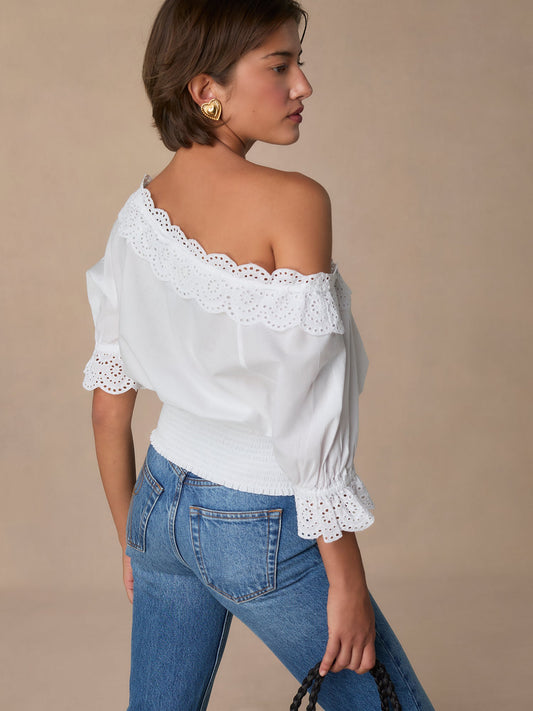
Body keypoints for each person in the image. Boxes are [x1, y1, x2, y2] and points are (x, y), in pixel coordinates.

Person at [83, 1, 435, 709]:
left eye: (298, 62)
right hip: (256, 518)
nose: (303, 85)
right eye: (280, 66)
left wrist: (132, 541)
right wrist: (346, 581)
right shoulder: (294, 202)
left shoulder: (138, 213)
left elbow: (108, 407)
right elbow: (306, 413)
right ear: (205, 90)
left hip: (156, 503)